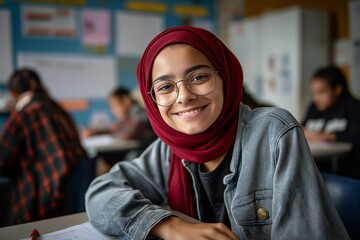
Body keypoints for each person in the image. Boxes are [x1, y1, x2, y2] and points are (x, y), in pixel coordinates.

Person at [85, 26, 349, 239]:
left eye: (199, 77)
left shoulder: (273, 133)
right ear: (151, 99)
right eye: (165, 87)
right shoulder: (169, 149)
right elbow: (100, 192)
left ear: (226, 77)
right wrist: (168, 226)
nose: (184, 96)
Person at [0, 68, 87, 224]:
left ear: (13, 92)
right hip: (68, 195)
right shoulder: (57, 107)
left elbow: (2, 161)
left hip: (39, 199)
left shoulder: (23, 114)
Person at [302, 65, 360, 179]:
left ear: (337, 89)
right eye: (314, 93)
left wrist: (328, 137)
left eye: (321, 92)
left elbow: (356, 136)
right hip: (317, 170)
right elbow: (302, 127)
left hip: (348, 173)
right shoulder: (314, 108)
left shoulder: (353, 107)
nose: (316, 98)